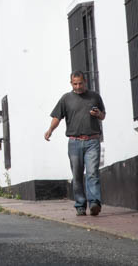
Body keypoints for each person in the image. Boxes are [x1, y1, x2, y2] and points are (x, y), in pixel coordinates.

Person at [45, 70, 106, 216]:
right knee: (77, 175)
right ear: (71, 83)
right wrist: (50, 130)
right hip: (74, 142)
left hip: (92, 141)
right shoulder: (66, 99)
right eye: (75, 84)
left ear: (85, 82)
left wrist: (98, 114)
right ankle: (80, 204)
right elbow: (57, 117)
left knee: (92, 173)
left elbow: (103, 115)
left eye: (80, 83)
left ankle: (94, 203)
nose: (78, 87)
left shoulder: (94, 96)